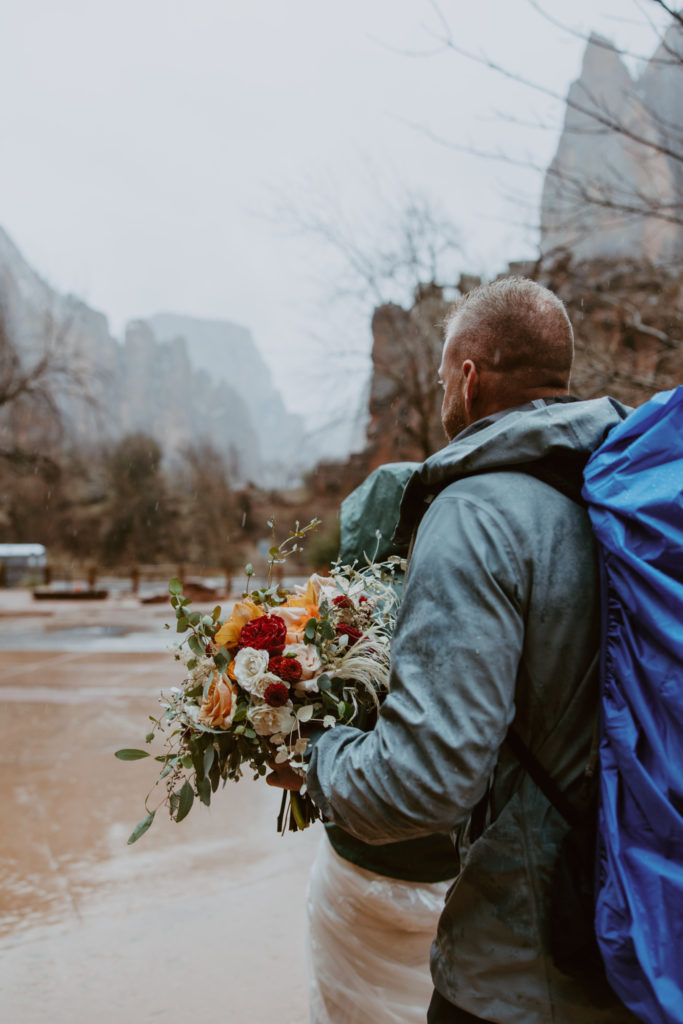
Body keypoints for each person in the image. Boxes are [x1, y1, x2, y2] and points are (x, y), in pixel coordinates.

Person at [269, 277, 637, 1023]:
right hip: (637, 927)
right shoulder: (620, 492)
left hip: (525, 966)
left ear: (466, 380)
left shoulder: (476, 514)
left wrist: (316, 759)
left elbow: (425, 782)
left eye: (442, 375)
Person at [306, 462, 458, 1024]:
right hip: (451, 872)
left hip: (356, 870)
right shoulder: (466, 610)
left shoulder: (328, 625)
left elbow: (304, 736)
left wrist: (307, 764)